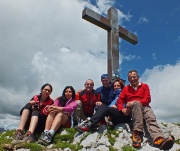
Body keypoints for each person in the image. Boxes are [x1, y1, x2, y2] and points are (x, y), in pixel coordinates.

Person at [117, 70, 174, 150]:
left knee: (150, 117)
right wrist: (122, 109)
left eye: (134, 77)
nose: (132, 79)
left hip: (145, 107)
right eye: (130, 78)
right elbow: (120, 101)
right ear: (128, 79)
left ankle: (159, 139)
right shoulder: (126, 89)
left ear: (138, 77)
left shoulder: (145, 86)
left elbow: (147, 99)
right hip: (133, 109)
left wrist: (134, 101)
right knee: (136, 104)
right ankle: (137, 134)